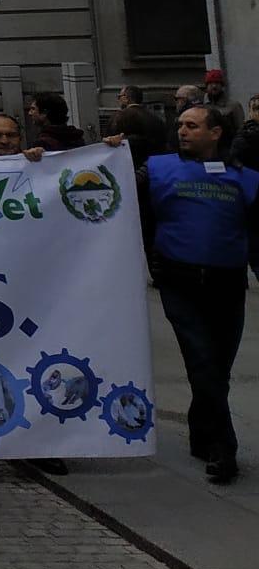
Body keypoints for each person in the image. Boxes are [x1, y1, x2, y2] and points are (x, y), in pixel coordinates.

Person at [104, 106, 259, 483]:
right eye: (180, 125)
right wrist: (106, 154)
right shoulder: (156, 169)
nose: (183, 130)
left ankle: (201, 431)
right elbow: (109, 191)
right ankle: (225, 448)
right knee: (202, 361)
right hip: (179, 281)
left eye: (192, 125)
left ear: (216, 132)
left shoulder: (246, 178)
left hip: (227, 283)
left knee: (217, 366)